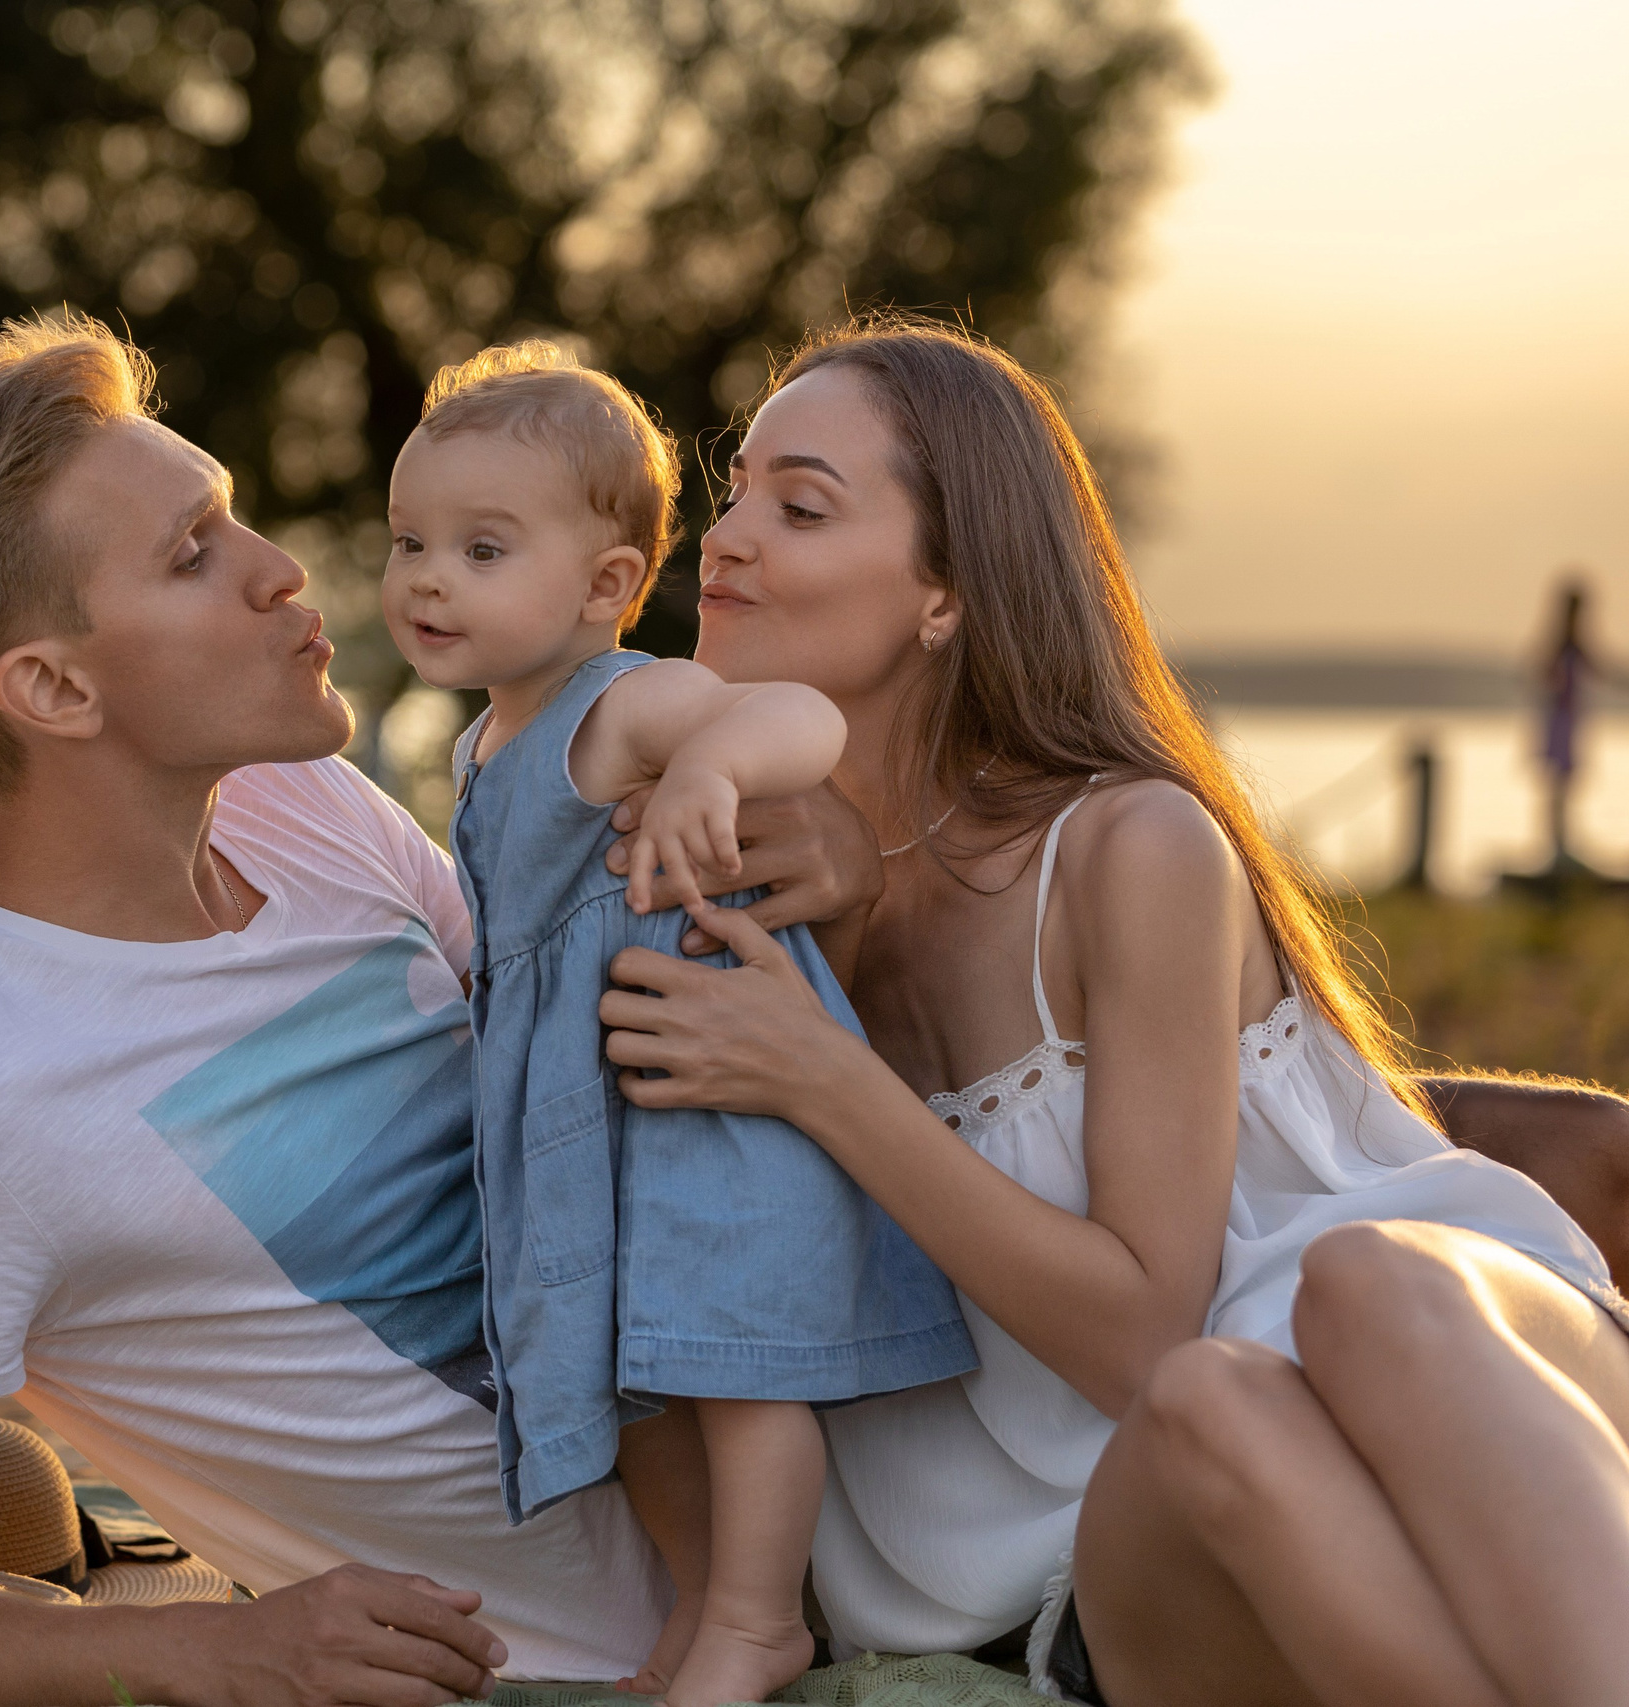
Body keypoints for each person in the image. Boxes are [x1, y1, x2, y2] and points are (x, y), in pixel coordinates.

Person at [593, 315, 1629, 1706]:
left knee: (1359, 1285)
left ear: (946, 593)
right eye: (734, 500)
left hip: (1431, 1382)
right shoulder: (725, 885)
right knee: (1210, 1406)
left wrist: (825, 1078)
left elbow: (1150, 1319)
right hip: (1101, 1547)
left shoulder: (1128, 846)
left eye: (801, 505)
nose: (723, 542)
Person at [0, 312, 670, 1707]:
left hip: (816, 1451)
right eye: (195, 554)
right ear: (54, 687)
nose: (283, 570)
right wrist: (219, 1645)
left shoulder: (300, 805)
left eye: (232, 517)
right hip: (646, 1646)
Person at [382, 342, 972, 1706]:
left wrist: (710, 760)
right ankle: (703, 1608)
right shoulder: (484, 746)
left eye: (481, 548)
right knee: (632, 1373)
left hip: (705, 1099)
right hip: (592, 1112)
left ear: (604, 584)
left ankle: (760, 1616)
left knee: (739, 1367)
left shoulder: (623, 700)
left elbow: (795, 719)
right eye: (411, 540)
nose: (426, 576)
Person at [1537, 574, 1599, 874]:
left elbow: (1599, 668)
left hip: (1569, 721)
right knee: (1558, 782)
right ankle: (1557, 847)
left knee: (1565, 783)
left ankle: (1562, 845)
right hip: (1560, 721)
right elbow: (1544, 674)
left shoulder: (1573, 643)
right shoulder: (1560, 643)